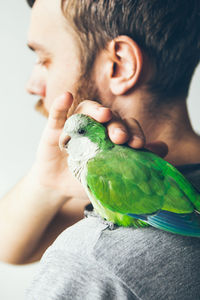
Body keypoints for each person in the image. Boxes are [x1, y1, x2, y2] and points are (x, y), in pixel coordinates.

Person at [1, 0, 200, 298]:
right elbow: (8, 246)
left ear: (119, 64)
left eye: (44, 60)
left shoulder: (91, 261)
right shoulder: (133, 186)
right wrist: (46, 183)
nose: (32, 85)